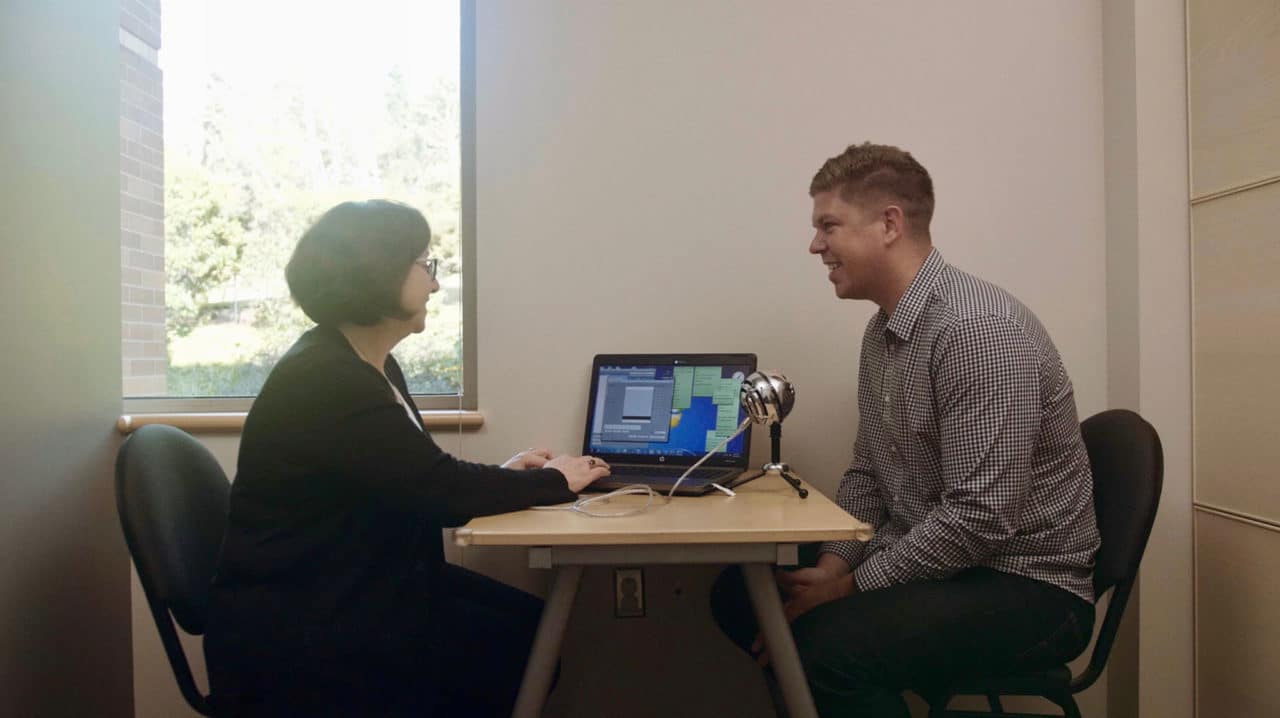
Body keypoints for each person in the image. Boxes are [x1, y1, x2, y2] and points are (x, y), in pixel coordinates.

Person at [710, 143, 1101, 717]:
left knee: (826, 647)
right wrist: (833, 564)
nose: (815, 245)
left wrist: (846, 590)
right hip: (944, 559)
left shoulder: (978, 333)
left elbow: (981, 518)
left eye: (829, 225)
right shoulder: (882, 333)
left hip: (1024, 583)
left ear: (889, 224)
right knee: (741, 593)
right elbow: (871, 470)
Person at [203, 200, 610, 717]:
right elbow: (443, 493)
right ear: (378, 273)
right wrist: (554, 480)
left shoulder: (365, 363)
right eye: (425, 264)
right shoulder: (329, 380)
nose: (436, 284)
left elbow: (415, 478)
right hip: (308, 625)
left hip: (354, 586)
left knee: (534, 632)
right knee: (524, 651)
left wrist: (508, 476)